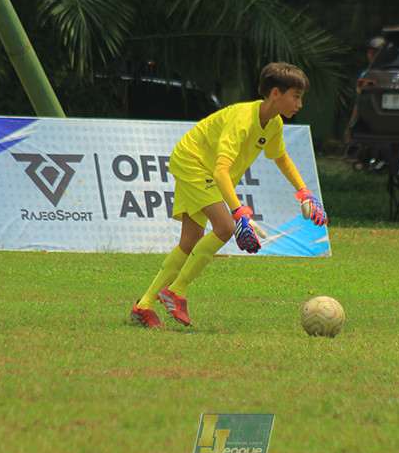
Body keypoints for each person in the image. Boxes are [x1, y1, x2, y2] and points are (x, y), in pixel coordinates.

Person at [130, 62, 329, 329]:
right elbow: (221, 171)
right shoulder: (242, 120)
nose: (300, 104)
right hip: (193, 162)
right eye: (296, 96)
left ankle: (143, 306)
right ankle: (176, 291)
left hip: (201, 166)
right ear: (275, 93)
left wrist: (304, 191)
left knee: (190, 241)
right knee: (224, 227)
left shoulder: (274, 124)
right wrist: (239, 213)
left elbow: (280, 157)